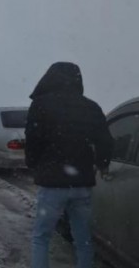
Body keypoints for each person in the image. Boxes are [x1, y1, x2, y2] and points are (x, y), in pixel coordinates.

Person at [25, 62, 113, 268]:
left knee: (41, 237)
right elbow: (106, 141)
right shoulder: (91, 106)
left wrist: (33, 165)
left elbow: (33, 140)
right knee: (83, 240)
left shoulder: (40, 105)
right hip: (82, 184)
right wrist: (103, 164)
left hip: (52, 186)